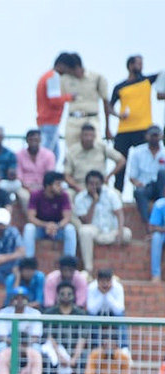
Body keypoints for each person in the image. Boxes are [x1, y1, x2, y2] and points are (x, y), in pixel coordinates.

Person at [111, 54, 160, 191]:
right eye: (138, 63)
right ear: (130, 66)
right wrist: (118, 115)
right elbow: (109, 106)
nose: (141, 66)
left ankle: (145, 191)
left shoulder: (147, 81)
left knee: (146, 161)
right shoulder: (120, 87)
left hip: (144, 128)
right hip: (124, 129)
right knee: (120, 162)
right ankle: (118, 193)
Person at [75, 168, 132, 272]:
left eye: (97, 184)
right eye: (91, 184)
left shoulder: (111, 194)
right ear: (86, 184)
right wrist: (94, 202)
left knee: (127, 233)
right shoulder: (80, 198)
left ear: (102, 183)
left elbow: (119, 213)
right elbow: (86, 221)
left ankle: (118, 267)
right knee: (84, 231)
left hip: (111, 232)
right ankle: (88, 268)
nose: (94, 187)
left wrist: (119, 231)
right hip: (94, 232)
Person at [22, 172, 77, 260]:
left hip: (57, 229)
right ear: (48, 185)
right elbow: (31, 217)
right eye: (58, 184)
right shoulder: (35, 195)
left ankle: (69, 261)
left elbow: (67, 218)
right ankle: (28, 261)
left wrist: (56, 226)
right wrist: (46, 225)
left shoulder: (64, 195)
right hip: (41, 229)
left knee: (70, 229)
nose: (61, 187)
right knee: (29, 228)